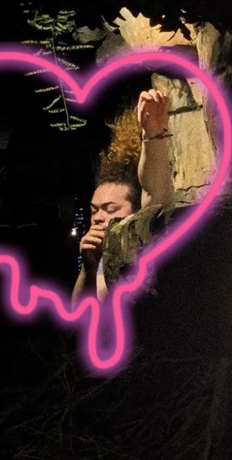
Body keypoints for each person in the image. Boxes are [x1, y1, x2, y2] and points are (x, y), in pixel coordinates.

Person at [72, 89, 173, 303]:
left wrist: (152, 134)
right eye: (93, 210)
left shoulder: (143, 245)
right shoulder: (99, 258)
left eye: (109, 209)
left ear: (136, 211)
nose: (98, 218)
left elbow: (154, 193)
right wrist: (87, 270)